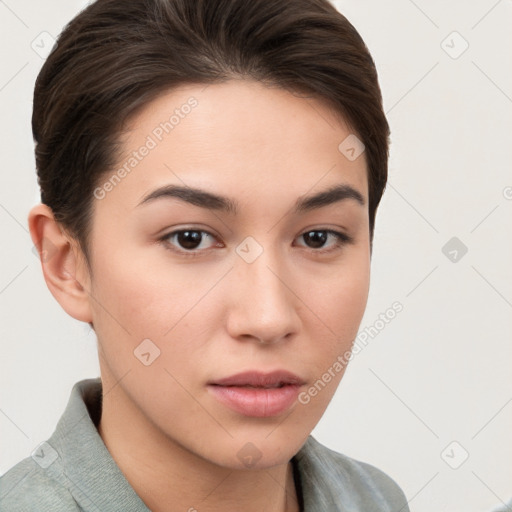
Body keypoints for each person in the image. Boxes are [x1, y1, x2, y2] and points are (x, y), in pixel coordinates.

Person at [0, 0, 410, 510]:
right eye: (190, 238)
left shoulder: (375, 500)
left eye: (318, 237)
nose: (268, 317)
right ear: (67, 263)